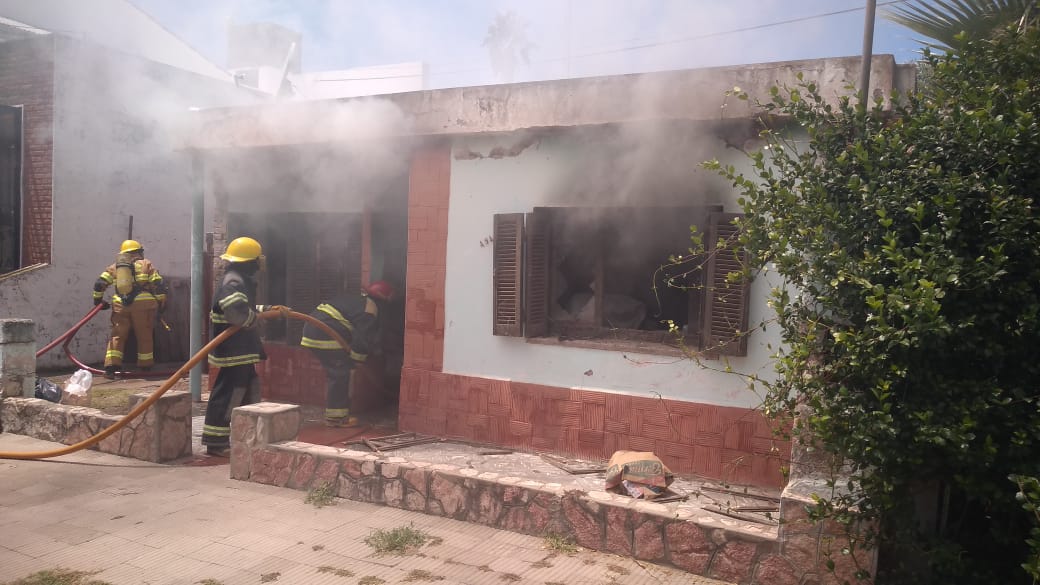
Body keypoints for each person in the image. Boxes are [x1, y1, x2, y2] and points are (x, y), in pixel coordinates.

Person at [202, 236, 277, 457]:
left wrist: (269, 309)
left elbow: (245, 306)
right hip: (233, 349)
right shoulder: (234, 281)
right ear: (249, 261)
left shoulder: (238, 279)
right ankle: (215, 442)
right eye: (256, 259)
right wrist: (253, 319)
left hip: (241, 349)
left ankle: (242, 435)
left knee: (248, 389)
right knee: (229, 394)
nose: (259, 264)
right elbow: (234, 311)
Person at [300, 280, 395, 427]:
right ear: (383, 300)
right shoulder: (370, 308)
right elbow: (363, 337)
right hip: (324, 332)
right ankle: (336, 419)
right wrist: (357, 360)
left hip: (314, 330)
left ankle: (337, 416)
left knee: (338, 371)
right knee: (340, 373)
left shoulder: (359, 301)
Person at [92, 239, 167, 379]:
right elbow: (158, 283)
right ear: (137, 252)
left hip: (121, 305)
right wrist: (162, 301)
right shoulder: (146, 264)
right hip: (143, 306)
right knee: (144, 335)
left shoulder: (115, 267)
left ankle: (111, 368)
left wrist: (98, 301)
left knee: (117, 336)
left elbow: (99, 284)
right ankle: (145, 367)